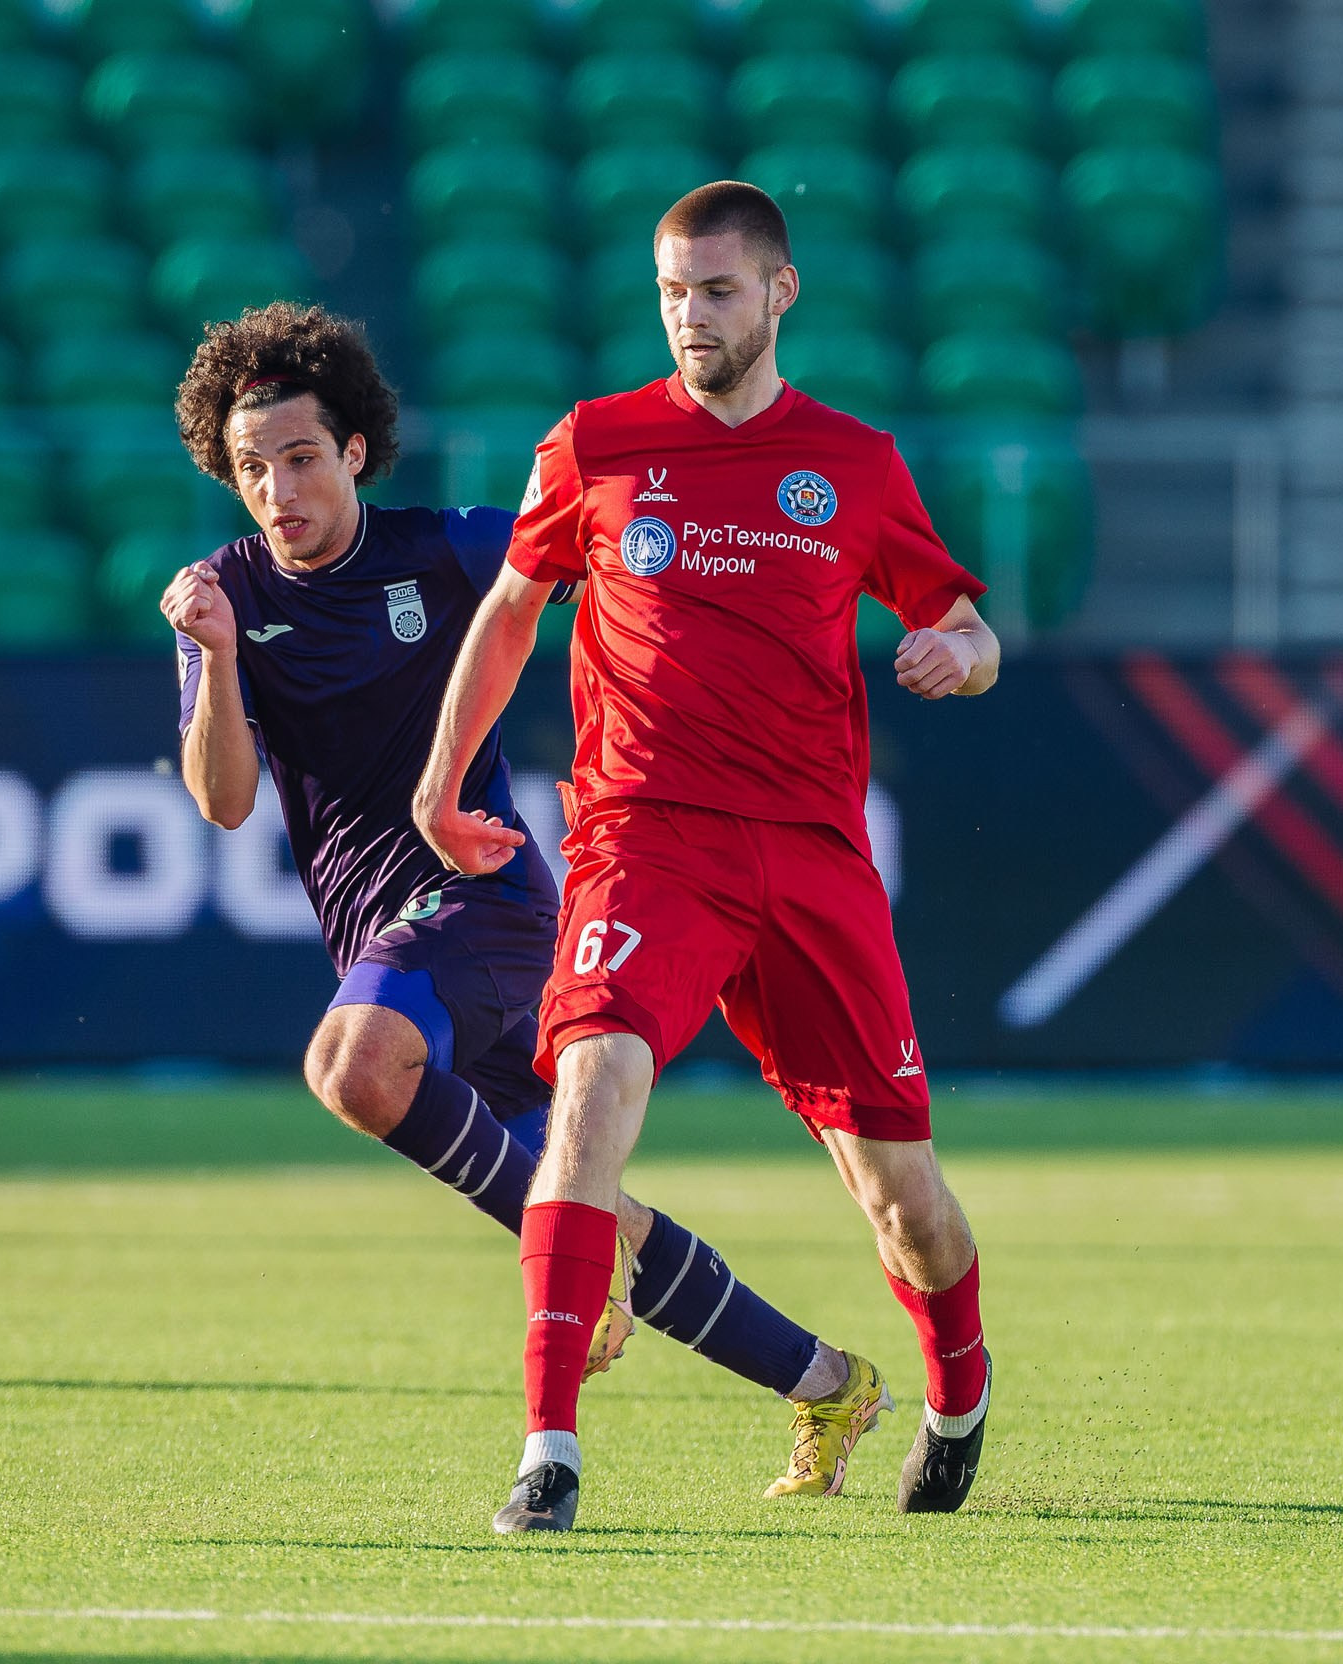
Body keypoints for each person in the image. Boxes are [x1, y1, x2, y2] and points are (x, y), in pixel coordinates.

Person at [161, 301, 896, 1494]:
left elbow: (611, 563)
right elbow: (222, 799)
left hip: (484, 903)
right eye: (251, 468)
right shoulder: (220, 599)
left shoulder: (446, 547)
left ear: (352, 450)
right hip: (398, 950)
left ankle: (597, 1281)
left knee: (352, 1067)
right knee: (579, 1203)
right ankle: (828, 1381)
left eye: (299, 457)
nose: (277, 489)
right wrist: (221, 656)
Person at [413, 183, 1002, 1536]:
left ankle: (957, 1400)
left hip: (809, 858)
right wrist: (441, 782)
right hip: (645, 838)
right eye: (674, 293)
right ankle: (548, 1452)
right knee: (590, 1099)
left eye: (720, 292)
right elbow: (513, 610)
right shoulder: (599, 444)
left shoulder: (851, 463)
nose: (693, 317)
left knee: (899, 1196)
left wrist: (955, 658)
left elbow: (969, 626)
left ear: (782, 292)